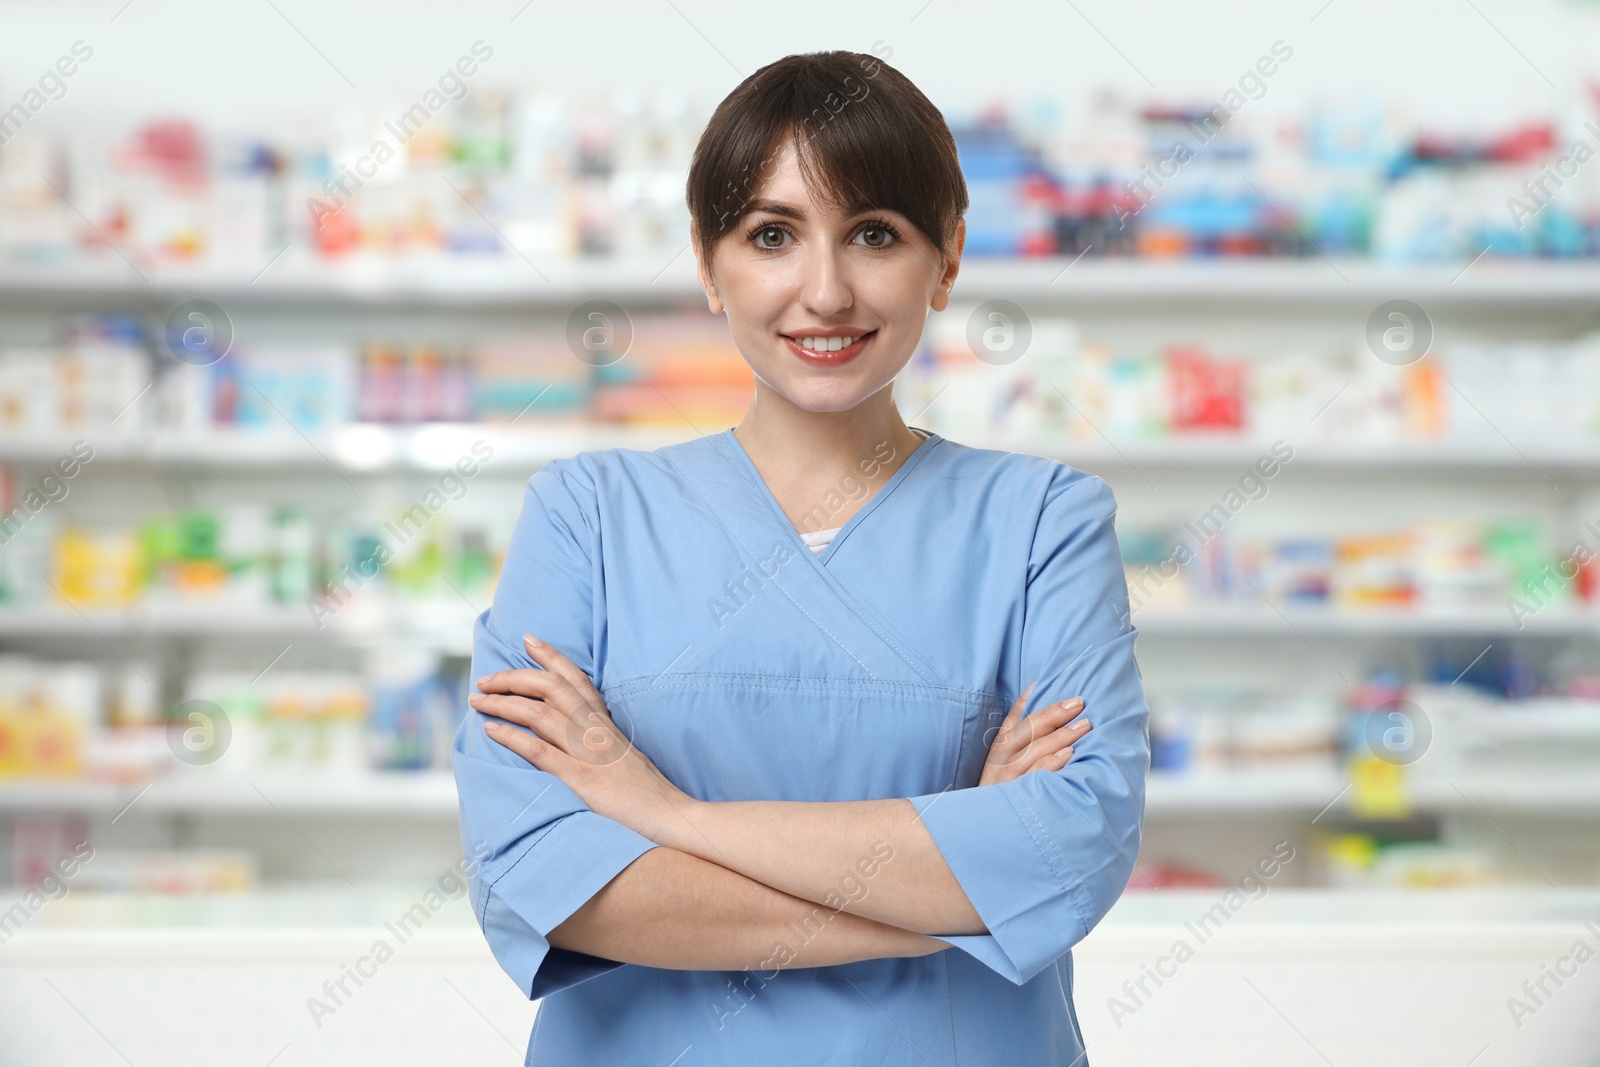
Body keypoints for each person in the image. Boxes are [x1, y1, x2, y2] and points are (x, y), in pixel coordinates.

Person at [452, 50, 1149, 1066]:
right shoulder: (585, 517)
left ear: (946, 259)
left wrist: (664, 811)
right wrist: (958, 885)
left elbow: (1068, 849)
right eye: (771, 235)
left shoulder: (1043, 521)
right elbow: (536, 869)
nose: (824, 290)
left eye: (874, 233)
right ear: (706, 261)